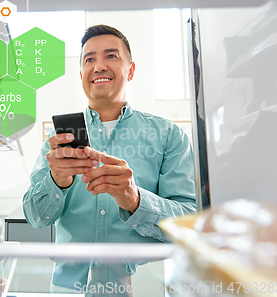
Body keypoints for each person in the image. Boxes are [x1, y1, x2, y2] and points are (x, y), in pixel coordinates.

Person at [23, 25, 197, 296]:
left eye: (111, 56)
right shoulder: (58, 142)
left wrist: (136, 200)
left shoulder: (169, 136)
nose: (99, 66)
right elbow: (34, 218)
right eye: (89, 59)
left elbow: (190, 223)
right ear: (81, 74)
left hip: (145, 287)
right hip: (68, 288)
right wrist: (56, 182)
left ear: (131, 70)